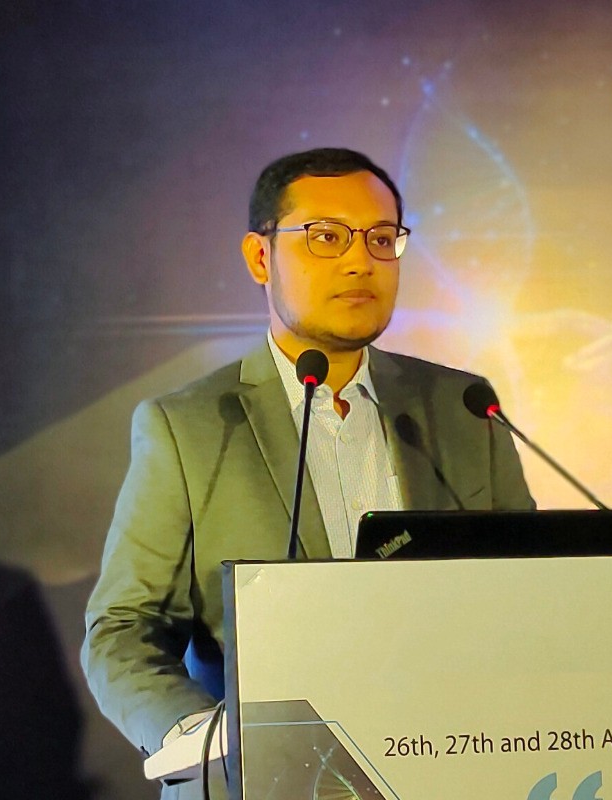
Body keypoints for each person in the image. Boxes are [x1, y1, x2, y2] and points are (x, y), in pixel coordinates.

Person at [82, 148, 534, 795]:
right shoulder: (188, 427)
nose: (360, 261)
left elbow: (531, 591)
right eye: (326, 237)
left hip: (447, 768)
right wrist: (206, 736)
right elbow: (123, 630)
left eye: (382, 238)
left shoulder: (463, 407)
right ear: (260, 257)